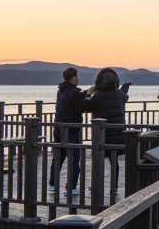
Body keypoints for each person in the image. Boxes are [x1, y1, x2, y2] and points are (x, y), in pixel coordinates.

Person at [86, 67, 130, 195]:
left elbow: (88, 107)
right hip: (118, 134)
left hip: (101, 134)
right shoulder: (121, 95)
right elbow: (124, 97)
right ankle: (114, 187)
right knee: (114, 161)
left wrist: (88, 94)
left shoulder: (97, 97)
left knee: (98, 161)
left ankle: (96, 186)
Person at [51, 67, 88, 196]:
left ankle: (52, 184)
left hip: (58, 128)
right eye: (77, 76)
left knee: (58, 157)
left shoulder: (61, 91)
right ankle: (71, 187)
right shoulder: (73, 92)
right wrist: (89, 99)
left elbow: (72, 99)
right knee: (73, 159)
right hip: (71, 130)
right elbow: (82, 107)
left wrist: (86, 93)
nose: (78, 78)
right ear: (73, 78)